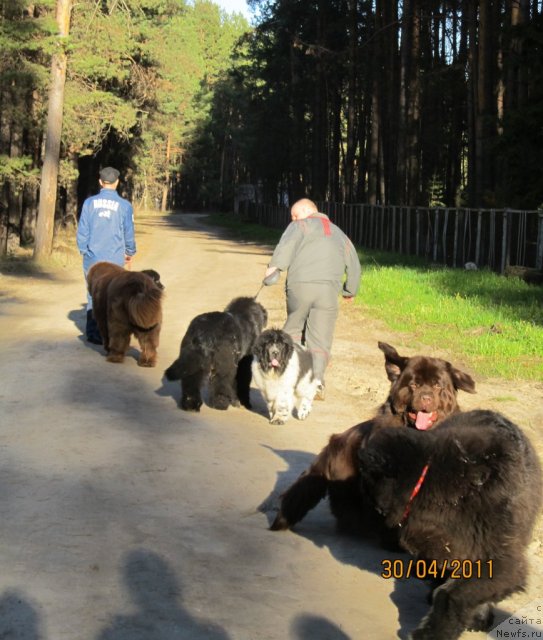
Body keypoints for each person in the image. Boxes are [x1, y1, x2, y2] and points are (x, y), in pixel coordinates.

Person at [264, 198, 361, 400]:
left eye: (295, 215)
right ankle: (316, 382)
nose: (292, 219)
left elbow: (286, 246)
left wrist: (273, 271)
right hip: (328, 293)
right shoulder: (339, 233)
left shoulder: (299, 225)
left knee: (292, 329)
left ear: (307, 210)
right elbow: (354, 262)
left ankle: (284, 375)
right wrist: (350, 289)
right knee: (320, 340)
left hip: (300, 287)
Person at [76, 166, 136, 344]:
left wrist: (84, 250)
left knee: (93, 294)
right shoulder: (125, 206)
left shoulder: (89, 203)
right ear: (117, 182)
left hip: (92, 259)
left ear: (100, 182)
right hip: (115, 259)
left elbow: (82, 231)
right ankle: (111, 332)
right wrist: (130, 251)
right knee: (114, 295)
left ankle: (94, 333)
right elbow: (129, 233)